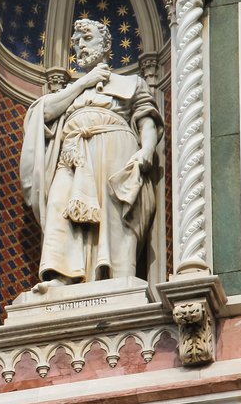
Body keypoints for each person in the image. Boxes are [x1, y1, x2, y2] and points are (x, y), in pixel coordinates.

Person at [20, 19, 163, 292]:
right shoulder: (69, 93)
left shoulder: (131, 83)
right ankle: (63, 278)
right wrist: (84, 82)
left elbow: (147, 120)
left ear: (106, 44)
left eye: (86, 39)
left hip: (115, 150)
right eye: (75, 43)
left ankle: (119, 280)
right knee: (60, 207)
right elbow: (44, 113)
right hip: (73, 158)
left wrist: (145, 149)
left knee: (114, 216)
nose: (80, 47)